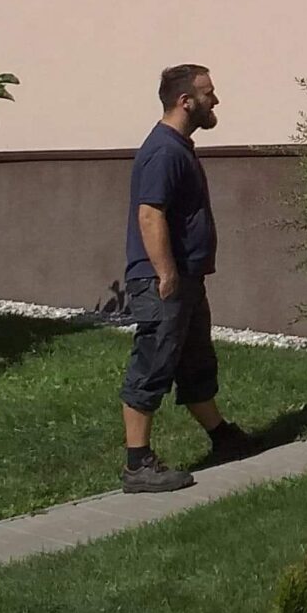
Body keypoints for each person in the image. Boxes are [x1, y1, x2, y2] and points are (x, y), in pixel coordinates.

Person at [119, 63, 255, 492]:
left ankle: (222, 437)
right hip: (164, 281)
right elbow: (149, 214)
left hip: (185, 279)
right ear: (185, 101)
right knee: (152, 365)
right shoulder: (164, 151)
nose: (215, 100)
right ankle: (137, 465)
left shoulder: (178, 147)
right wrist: (166, 274)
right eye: (208, 93)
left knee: (195, 361)